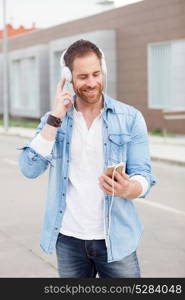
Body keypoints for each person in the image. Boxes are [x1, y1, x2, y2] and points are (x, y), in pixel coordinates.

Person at [18, 39, 157, 278]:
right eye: (83, 77)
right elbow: (29, 169)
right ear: (69, 77)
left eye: (96, 74)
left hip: (116, 239)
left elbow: (143, 175)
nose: (92, 83)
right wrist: (55, 118)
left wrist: (128, 188)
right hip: (69, 240)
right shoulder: (54, 120)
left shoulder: (130, 118)